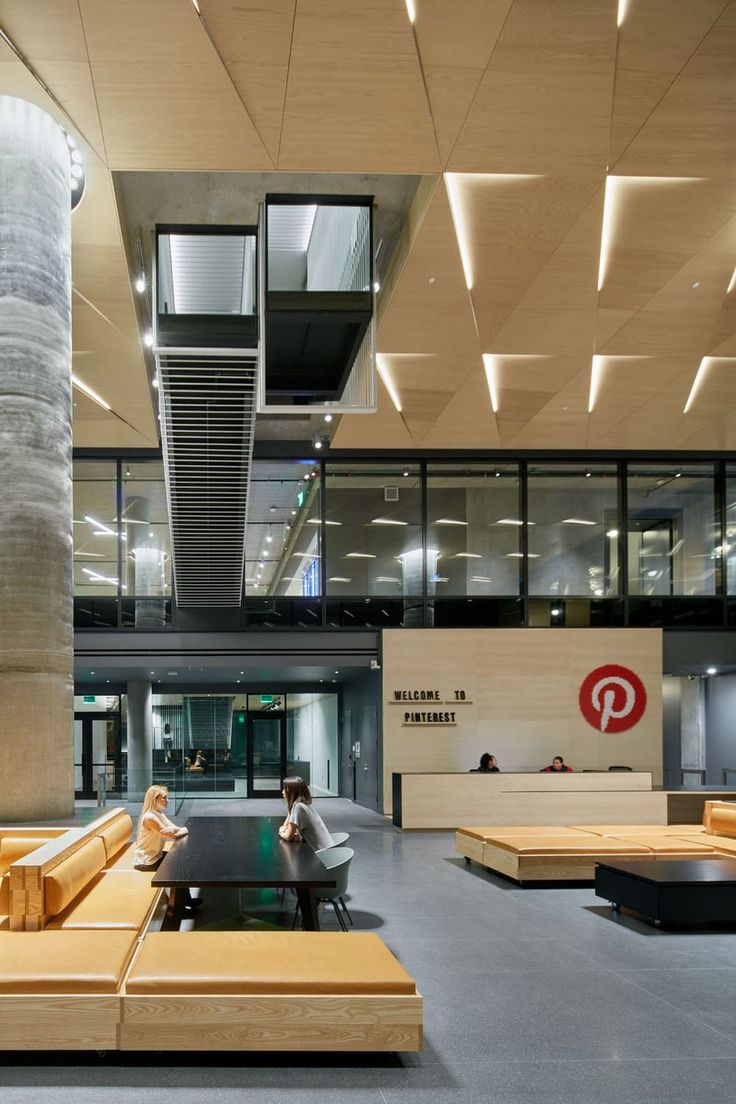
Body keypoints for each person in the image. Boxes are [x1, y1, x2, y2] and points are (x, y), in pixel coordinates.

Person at [133, 784, 202, 909]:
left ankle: (185, 901)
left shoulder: (159, 814)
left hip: (155, 856)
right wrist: (184, 829)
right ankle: (178, 907)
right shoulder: (150, 817)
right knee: (178, 867)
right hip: (147, 861)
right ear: (154, 800)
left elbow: (175, 828)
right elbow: (173, 835)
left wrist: (177, 830)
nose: (167, 800)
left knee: (180, 861)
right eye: (164, 798)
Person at [278, 776, 334, 851]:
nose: (282, 792)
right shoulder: (301, 805)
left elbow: (288, 836)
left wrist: (281, 831)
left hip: (324, 856)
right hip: (328, 851)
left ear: (291, 792)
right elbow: (288, 827)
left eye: (285, 789)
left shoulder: (299, 808)